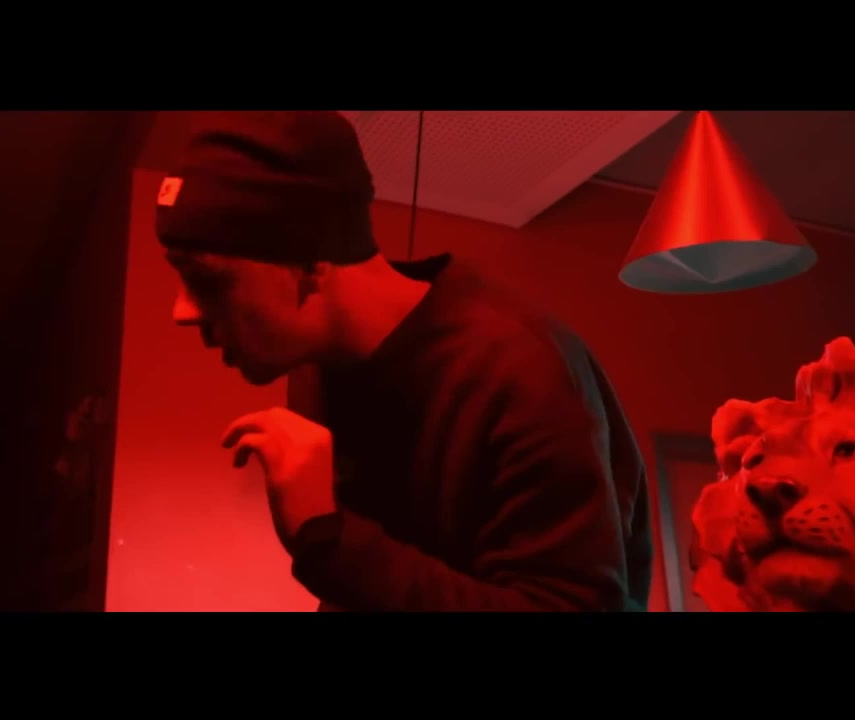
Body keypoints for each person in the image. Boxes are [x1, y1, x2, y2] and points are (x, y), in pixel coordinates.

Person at [155, 111, 653, 611]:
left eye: (206, 280)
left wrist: (328, 541)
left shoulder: (521, 370)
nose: (182, 312)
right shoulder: (320, 366)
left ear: (310, 259)